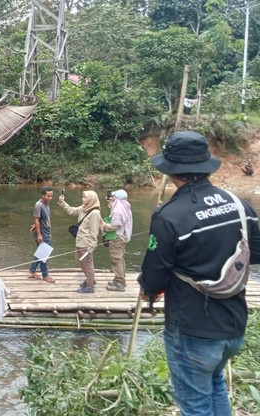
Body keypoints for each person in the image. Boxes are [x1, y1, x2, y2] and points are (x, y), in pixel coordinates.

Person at [138, 131, 260, 416]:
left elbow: (153, 275)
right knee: (215, 384)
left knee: (194, 405)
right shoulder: (239, 205)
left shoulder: (169, 215)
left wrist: (148, 288)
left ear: (170, 170)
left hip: (193, 329)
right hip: (233, 324)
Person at [58, 190, 103, 293]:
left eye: (85, 197)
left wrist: (91, 246)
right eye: (83, 197)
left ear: (91, 199)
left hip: (86, 243)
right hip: (79, 241)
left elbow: (94, 231)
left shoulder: (95, 213)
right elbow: (71, 211)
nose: (83, 199)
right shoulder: (84, 208)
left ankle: (90, 285)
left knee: (88, 263)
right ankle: (89, 279)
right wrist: (62, 202)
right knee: (79, 261)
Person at [102, 189, 133, 291]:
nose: (112, 198)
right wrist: (111, 203)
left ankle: (119, 283)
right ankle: (119, 279)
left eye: (114, 197)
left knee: (116, 259)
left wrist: (103, 226)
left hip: (117, 237)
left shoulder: (117, 209)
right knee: (120, 258)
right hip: (123, 236)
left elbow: (114, 226)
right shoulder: (125, 206)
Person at [28, 185, 55, 283]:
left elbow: (40, 219)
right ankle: (45, 275)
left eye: (51, 196)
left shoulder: (46, 204)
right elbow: (36, 219)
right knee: (44, 254)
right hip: (42, 233)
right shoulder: (38, 205)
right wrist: (39, 235)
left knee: (41, 252)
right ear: (43, 195)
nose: (50, 198)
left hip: (46, 231)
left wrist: (36, 224)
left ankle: (32, 271)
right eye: (48, 196)